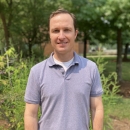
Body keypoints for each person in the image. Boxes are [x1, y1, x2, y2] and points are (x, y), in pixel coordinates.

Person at [24, 9, 104, 130]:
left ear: (75, 33)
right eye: (56, 31)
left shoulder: (90, 68)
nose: (61, 36)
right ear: (50, 34)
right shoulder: (37, 72)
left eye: (67, 30)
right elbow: (31, 114)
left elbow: (96, 108)